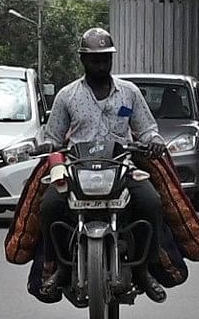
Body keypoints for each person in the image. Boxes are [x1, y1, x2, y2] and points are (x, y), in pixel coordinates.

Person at [24, 27, 168, 299]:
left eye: (105, 58)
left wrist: (154, 140)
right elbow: (53, 136)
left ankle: (144, 270)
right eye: (94, 59)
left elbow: (147, 128)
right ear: (83, 60)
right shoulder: (67, 95)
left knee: (152, 202)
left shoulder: (129, 93)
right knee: (49, 206)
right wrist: (46, 144)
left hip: (123, 167)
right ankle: (60, 268)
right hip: (77, 169)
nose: (101, 64)